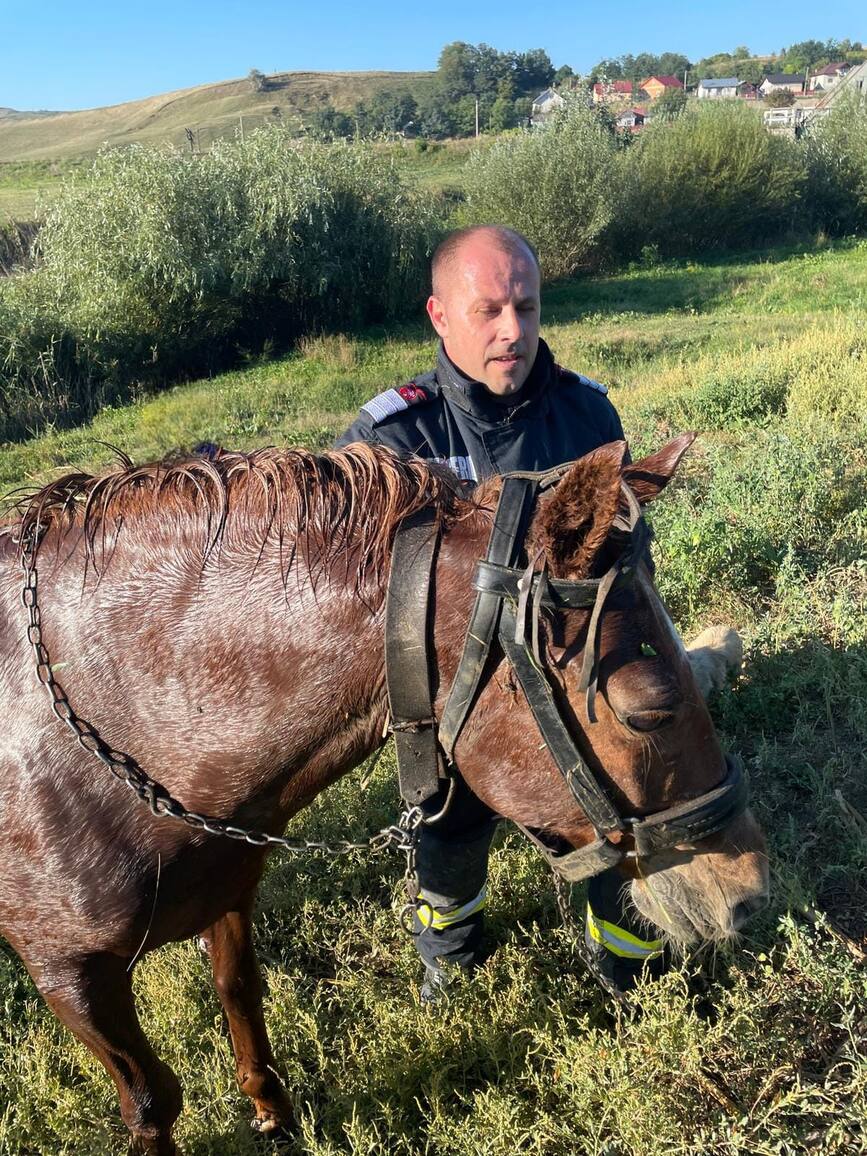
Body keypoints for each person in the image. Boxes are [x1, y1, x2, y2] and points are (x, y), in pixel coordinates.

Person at [336, 225, 666, 1001]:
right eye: (487, 310)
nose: (512, 331)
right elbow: (356, 599)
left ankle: (623, 969)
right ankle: (449, 959)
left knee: (618, 823)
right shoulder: (390, 439)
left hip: (575, 685)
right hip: (452, 703)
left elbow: (626, 562)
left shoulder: (587, 416)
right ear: (439, 316)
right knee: (446, 837)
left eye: (525, 305)